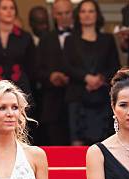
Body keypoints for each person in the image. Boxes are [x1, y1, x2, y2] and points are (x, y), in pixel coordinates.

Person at [63, 0, 120, 146]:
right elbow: (66, 66)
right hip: (77, 98)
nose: (87, 15)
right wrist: (86, 78)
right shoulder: (70, 40)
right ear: (78, 15)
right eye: (83, 11)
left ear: (97, 15)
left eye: (91, 11)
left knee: (104, 145)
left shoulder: (107, 40)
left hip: (102, 99)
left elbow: (115, 66)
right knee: (77, 144)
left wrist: (99, 79)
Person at [0, 0, 35, 99]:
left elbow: (32, 68)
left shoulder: (25, 38)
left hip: (21, 91)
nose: (9, 11)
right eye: (4, 8)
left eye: (12, 8)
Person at [35, 0, 74, 145]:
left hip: (78, 102)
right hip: (52, 103)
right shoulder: (45, 39)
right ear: (53, 14)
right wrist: (50, 77)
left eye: (67, 13)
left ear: (72, 12)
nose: (64, 17)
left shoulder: (82, 36)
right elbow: (36, 70)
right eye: (60, 13)